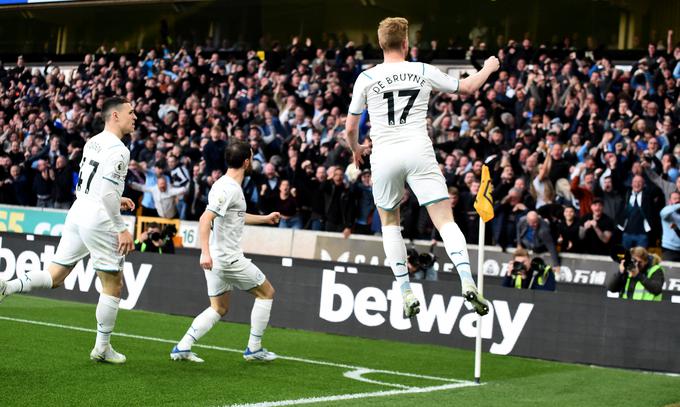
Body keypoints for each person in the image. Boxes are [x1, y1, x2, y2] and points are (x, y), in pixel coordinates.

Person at [345, 17, 499, 316]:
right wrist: (489, 68)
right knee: (444, 220)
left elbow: (350, 127)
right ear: (406, 44)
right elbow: (466, 87)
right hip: (418, 149)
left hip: (384, 154)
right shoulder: (422, 70)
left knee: (390, 223)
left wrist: (357, 149)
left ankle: (405, 290)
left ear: (380, 44)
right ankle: (467, 280)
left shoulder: (367, 77)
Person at [0, 96, 136, 363]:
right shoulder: (120, 149)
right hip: (99, 219)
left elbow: (93, 185)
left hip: (79, 210)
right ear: (115, 116)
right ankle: (102, 348)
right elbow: (107, 192)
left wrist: (115, 198)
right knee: (113, 285)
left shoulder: (92, 141)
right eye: (131, 112)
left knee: (56, 275)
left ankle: (7, 286)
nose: (135, 117)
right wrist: (121, 228)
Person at [170, 140, 281, 363]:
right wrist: (205, 253)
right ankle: (254, 348)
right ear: (247, 161)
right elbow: (204, 219)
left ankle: (182, 346)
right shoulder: (228, 189)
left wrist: (265, 219)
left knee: (219, 308)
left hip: (217, 260)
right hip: (227, 258)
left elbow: (237, 215)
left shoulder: (225, 184)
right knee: (267, 293)